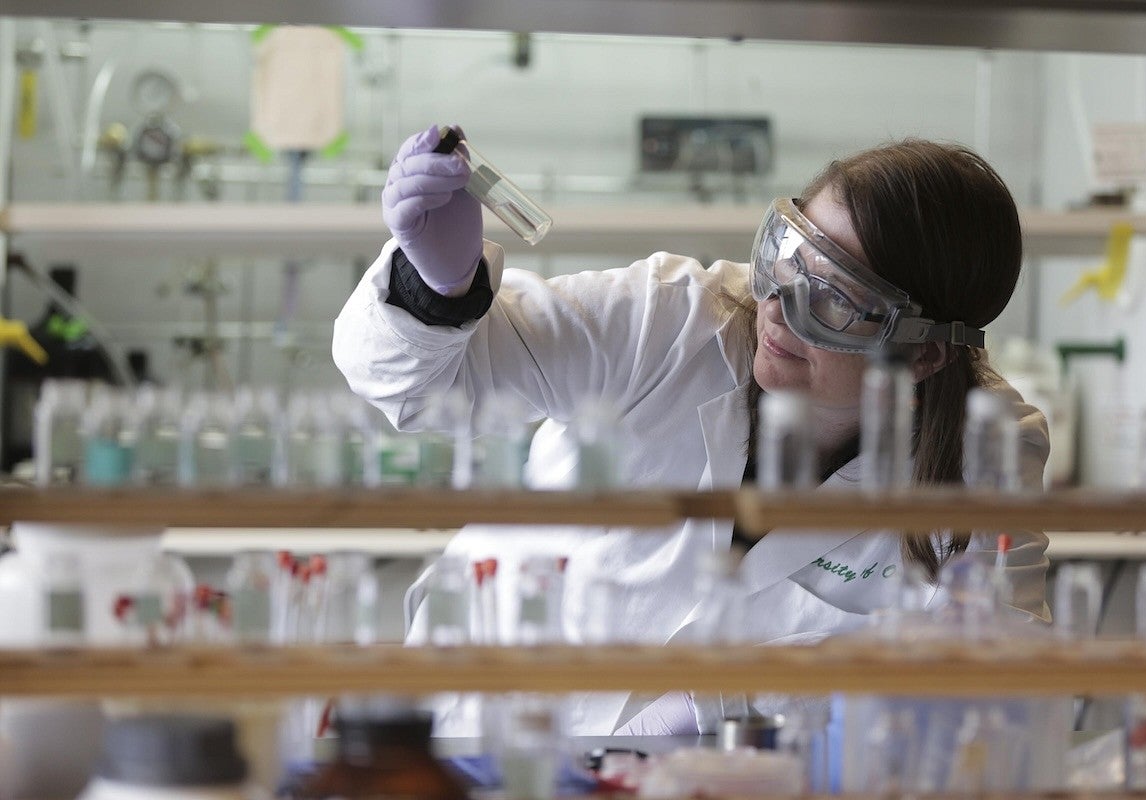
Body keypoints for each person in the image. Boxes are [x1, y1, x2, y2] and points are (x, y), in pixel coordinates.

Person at [332, 124, 1051, 736]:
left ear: (922, 351)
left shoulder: (987, 447)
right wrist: (435, 290)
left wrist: (725, 705)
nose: (776, 305)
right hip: (490, 728)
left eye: (832, 300)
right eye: (785, 256)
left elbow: (1001, 677)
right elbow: (413, 388)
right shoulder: (667, 315)